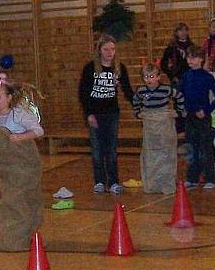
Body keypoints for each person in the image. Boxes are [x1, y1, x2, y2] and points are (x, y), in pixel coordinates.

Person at [0, 77, 44, 252]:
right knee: (14, 202)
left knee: (19, 202)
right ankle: (18, 238)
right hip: (6, 169)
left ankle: (17, 241)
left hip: (24, 166)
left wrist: (20, 137)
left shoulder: (19, 114)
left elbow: (38, 131)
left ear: (9, 97)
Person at [78, 34, 134, 194]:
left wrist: (139, 104)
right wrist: (88, 114)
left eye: (112, 49)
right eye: (106, 49)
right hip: (95, 113)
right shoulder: (90, 68)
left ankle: (114, 181)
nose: (110, 52)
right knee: (97, 149)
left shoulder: (119, 68)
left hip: (112, 114)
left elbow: (127, 91)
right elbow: (83, 93)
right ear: (100, 50)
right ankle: (100, 181)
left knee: (111, 149)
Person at [132, 62, 185, 195]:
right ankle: (152, 184)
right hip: (150, 123)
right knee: (150, 154)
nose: (149, 79)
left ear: (158, 77)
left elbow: (179, 96)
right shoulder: (141, 91)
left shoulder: (166, 89)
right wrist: (138, 113)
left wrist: (179, 111)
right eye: (146, 77)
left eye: (151, 76)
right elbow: (136, 101)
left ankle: (167, 184)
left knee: (167, 153)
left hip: (164, 122)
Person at [179, 45, 215, 190]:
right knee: (191, 148)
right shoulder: (185, 76)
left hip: (203, 117)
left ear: (201, 59)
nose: (190, 60)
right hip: (190, 117)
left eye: (194, 57)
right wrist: (182, 109)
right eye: (189, 57)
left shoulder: (207, 77)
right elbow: (179, 95)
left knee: (206, 148)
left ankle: (210, 177)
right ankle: (192, 178)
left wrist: (206, 110)